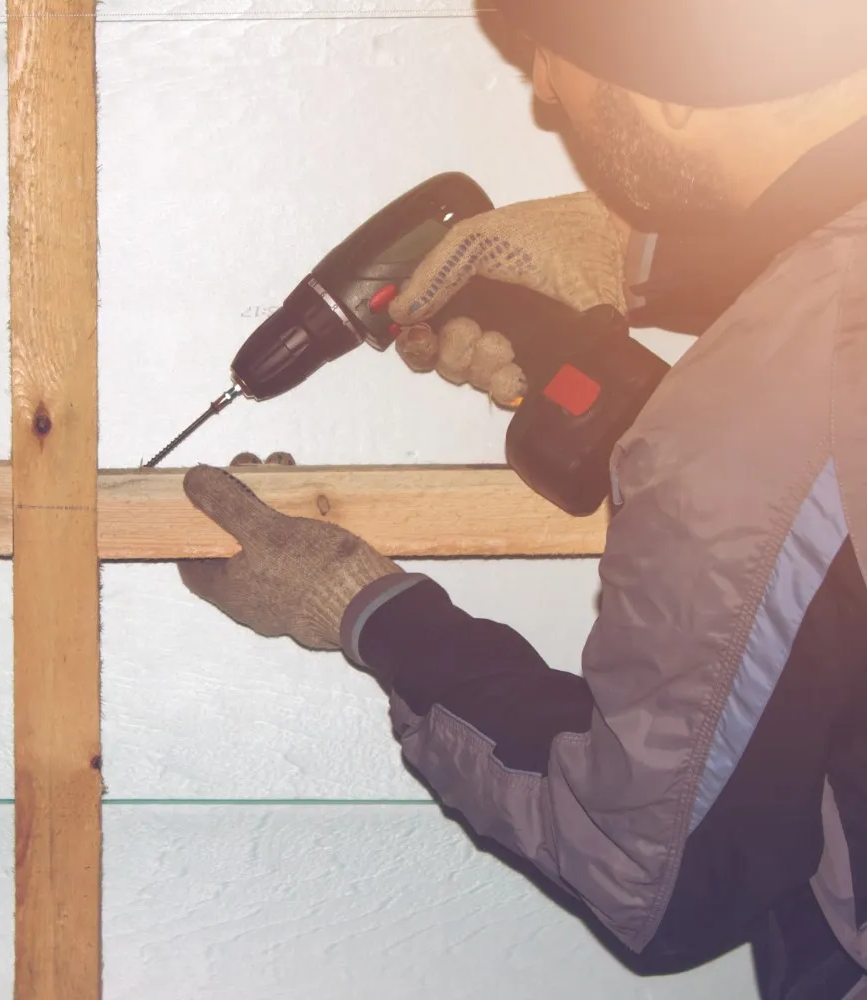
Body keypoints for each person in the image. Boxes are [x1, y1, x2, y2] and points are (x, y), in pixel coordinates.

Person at [175, 3, 867, 998]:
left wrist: (369, 612)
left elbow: (652, 875)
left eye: (556, 57)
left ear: (674, 79)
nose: (542, 94)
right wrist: (641, 264)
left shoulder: (752, 421)